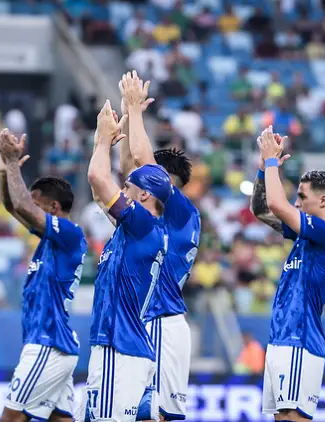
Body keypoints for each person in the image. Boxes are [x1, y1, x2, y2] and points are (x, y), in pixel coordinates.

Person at [119, 71, 200, 422]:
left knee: (158, 417)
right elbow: (129, 169)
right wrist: (125, 116)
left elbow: (140, 163)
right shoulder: (150, 218)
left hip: (163, 323)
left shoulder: (182, 212)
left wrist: (136, 111)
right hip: (141, 323)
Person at [82, 100, 170, 422]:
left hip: (117, 347)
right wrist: (100, 140)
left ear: (145, 196)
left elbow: (97, 177)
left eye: (129, 187)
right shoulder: (139, 230)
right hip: (132, 348)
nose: (123, 188)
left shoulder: (141, 224)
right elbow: (98, 190)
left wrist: (104, 138)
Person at [251, 126, 325, 421]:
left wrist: (270, 162)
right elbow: (261, 209)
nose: (296, 203)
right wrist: (262, 171)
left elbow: (278, 205)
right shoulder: (305, 234)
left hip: (301, 342)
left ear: (323, 201)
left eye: (302, 197)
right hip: (282, 339)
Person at [0, 130, 87, 422]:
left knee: (11, 418)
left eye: (37, 204)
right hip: (52, 344)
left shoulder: (71, 234)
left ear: (54, 208)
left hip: (49, 342)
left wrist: (12, 163)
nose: (30, 209)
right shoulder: (50, 240)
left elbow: (22, 205)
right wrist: (4, 168)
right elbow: (14, 206)